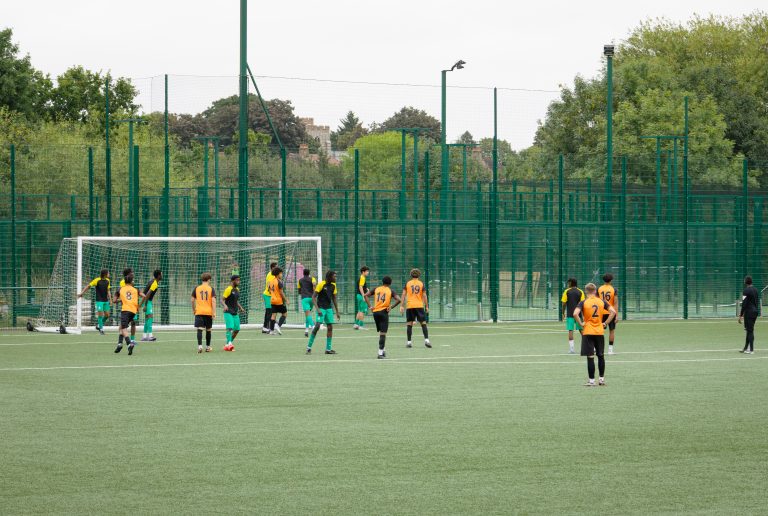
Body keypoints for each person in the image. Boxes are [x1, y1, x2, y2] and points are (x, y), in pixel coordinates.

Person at [573, 283, 617, 387]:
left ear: (586, 291)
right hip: (599, 331)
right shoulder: (602, 301)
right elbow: (613, 312)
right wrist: (605, 323)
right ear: (595, 290)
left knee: (590, 356)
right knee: (601, 356)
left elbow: (575, 313)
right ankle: (601, 380)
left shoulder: (583, 302)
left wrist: (581, 323)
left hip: (588, 331)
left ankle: (591, 381)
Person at [365, 276, 401, 359]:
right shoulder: (390, 291)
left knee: (381, 332)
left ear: (382, 282)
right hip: (384, 312)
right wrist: (391, 307)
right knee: (383, 333)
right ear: (390, 283)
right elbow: (399, 300)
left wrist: (370, 306)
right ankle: (380, 353)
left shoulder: (376, 289)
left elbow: (366, 295)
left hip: (375, 313)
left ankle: (383, 350)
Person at [306, 270, 341, 355]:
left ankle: (328, 349)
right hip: (321, 308)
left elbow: (334, 298)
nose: (335, 278)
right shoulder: (321, 284)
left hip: (329, 309)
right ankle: (308, 347)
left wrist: (337, 311)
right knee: (317, 326)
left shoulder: (334, 285)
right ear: (329, 277)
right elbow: (313, 297)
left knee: (330, 327)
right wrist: (318, 309)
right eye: (334, 276)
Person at [113, 273, 144, 355]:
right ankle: (119, 344)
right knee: (121, 326)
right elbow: (144, 296)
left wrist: (121, 300)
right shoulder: (135, 289)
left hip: (125, 310)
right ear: (131, 282)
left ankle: (129, 343)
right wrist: (140, 304)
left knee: (123, 328)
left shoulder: (120, 289)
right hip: (133, 311)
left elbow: (114, 300)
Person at [400, 268, 431, 349]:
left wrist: (401, 305)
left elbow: (403, 294)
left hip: (410, 306)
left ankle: (409, 342)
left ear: (411, 275)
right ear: (419, 275)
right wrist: (427, 306)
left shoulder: (408, 283)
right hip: (419, 305)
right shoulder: (421, 283)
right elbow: (424, 295)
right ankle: (427, 340)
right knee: (423, 323)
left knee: (409, 324)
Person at [78, 268, 111, 335]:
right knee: (100, 315)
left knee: (107, 315)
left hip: (105, 300)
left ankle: (98, 325)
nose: (109, 274)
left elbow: (108, 290)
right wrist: (82, 293)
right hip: (99, 300)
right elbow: (88, 286)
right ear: (105, 274)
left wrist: (110, 299)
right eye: (108, 273)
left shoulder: (108, 281)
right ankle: (101, 329)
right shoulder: (97, 280)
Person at [192, 272, 216, 353]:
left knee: (200, 329)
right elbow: (213, 300)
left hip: (199, 311)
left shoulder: (197, 288)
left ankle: (200, 346)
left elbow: (192, 300)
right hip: (208, 312)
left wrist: (194, 309)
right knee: (208, 330)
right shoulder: (211, 289)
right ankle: (208, 347)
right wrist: (214, 312)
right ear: (209, 280)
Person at [561, 278, 585, 354]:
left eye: (568, 283)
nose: (568, 284)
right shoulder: (580, 292)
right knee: (582, 330)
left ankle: (571, 349)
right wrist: (583, 315)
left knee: (570, 330)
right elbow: (583, 304)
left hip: (570, 314)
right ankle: (589, 346)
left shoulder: (566, 291)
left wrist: (563, 312)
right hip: (578, 314)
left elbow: (564, 303)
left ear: (571, 283)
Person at [222, 275, 245, 349]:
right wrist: (225, 305)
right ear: (232, 281)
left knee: (237, 329)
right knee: (230, 328)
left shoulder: (237, 289)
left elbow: (236, 301)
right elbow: (222, 300)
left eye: (239, 280)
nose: (238, 281)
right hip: (228, 312)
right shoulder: (228, 289)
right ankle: (229, 344)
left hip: (235, 312)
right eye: (237, 280)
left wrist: (240, 307)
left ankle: (228, 343)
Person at [139, 269, 162, 342]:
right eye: (161, 274)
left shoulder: (152, 281)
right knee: (150, 316)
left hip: (147, 301)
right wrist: (145, 305)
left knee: (147, 318)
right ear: (158, 276)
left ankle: (144, 336)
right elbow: (148, 294)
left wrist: (141, 304)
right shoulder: (154, 283)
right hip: (147, 301)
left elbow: (145, 293)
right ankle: (150, 336)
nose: (162, 275)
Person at [598, 273, 619, 354]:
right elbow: (615, 303)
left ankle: (598, 349)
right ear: (611, 280)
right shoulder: (614, 289)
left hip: (601, 312)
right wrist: (616, 315)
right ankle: (610, 350)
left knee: (599, 331)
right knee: (612, 331)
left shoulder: (599, 289)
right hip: (611, 313)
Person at [738, 276, 759, 354]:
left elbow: (744, 304)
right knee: (749, 330)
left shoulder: (746, 291)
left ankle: (751, 350)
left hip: (749, 312)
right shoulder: (756, 290)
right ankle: (745, 348)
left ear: (745, 282)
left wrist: (740, 315)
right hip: (755, 312)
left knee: (750, 330)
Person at [120, 268, 138, 345]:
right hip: (126, 306)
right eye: (131, 273)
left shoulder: (132, 282)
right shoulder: (123, 283)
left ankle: (132, 340)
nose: (133, 274)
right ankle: (121, 341)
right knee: (123, 325)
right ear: (128, 274)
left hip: (133, 306)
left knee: (133, 323)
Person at [267, 267, 288, 335]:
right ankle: (278, 326)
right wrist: (286, 300)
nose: (282, 275)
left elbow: (269, 291)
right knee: (285, 314)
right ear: (277, 274)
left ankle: (271, 331)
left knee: (273, 315)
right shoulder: (279, 282)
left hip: (272, 300)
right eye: (281, 273)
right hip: (279, 301)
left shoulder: (271, 281)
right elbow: (281, 293)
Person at [298, 269, 317, 337]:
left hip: (305, 298)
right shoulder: (313, 279)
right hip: (312, 298)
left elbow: (299, 291)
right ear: (309, 273)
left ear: (303, 273)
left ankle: (312, 326)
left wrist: (303, 292)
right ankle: (306, 330)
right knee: (308, 315)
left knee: (307, 314)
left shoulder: (300, 280)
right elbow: (314, 285)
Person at [262, 262, 278, 334]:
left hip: (271, 296)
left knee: (271, 311)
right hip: (267, 296)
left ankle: (267, 327)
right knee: (269, 311)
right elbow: (269, 286)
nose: (277, 268)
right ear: (272, 268)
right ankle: (266, 328)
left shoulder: (275, 275)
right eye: (276, 267)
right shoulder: (270, 275)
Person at [353, 266, 371, 330]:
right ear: (363, 272)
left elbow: (361, 286)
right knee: (362, 311)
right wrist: (363, 295)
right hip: (361, 296)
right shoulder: (362, 278)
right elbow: (360, 287)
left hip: (359, 295)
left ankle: (356, 324)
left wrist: (366, 289)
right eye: (367, 271)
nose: (368, 272)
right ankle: (360, 325)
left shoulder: (361, 278)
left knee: (359, 311)